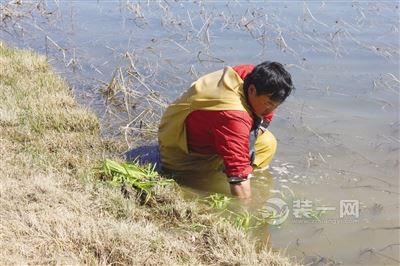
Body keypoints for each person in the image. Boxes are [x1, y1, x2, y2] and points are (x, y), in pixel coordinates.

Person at [158, 61, 294, 199]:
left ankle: (235, 165)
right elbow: (239, 180)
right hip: (183, 152)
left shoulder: (251, 75)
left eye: (276, 106)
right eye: (268, 104)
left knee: (267, 143)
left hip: (210, 134)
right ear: (252, 90)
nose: (270, 110)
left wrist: (244, 148)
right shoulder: (234, 116)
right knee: (197, 183)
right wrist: (249, 211)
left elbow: (264, 118)